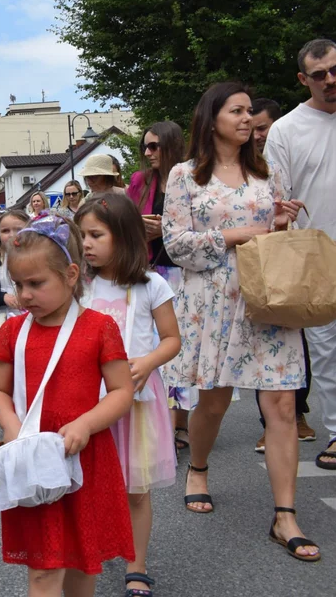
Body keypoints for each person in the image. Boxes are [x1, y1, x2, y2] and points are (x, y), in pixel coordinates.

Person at [163, 82, 318, 560]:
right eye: (238, 111)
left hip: (267, 300)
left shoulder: (267, 175)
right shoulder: (184, 175)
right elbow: (176, 244)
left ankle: (285, 515)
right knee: (213, 404)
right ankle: (200, 468)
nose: (248, 118)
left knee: (284, 407)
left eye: (251, 111)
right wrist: (242, 233)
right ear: (212, 120)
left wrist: (279, 223)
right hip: (213, 304)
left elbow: (274, 235)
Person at [0, 214, 135, 596]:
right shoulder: (12, 331)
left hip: (86, 457)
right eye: (19, 285)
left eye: (36, 284)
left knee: (84, 566)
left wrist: (86, 423)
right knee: (44, 571)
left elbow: (121, 390)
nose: (25, 295)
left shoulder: (99, 327)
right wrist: (10, 425)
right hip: (35, 461)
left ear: (71, 275)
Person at [76, 195, 181, 596]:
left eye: (96, 235)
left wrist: (149, 361)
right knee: (86, 487)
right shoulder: (79, 284)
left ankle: (136, 564)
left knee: (136, 490)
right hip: (90, 401)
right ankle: (88, 553)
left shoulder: (152, 284)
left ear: (124, 237)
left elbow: (172, 339)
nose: (86, 243)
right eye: (82, 235)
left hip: (136, 403)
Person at [265, 38, 336, 473]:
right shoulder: (285, 129)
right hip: (314, 263)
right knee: (325, 356)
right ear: (304, 79)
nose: (330, 80)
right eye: (319, 75)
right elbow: (276, 198)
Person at [249, 98, 315, 450]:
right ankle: (270, 423)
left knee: (297, 339)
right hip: (259, 262)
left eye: (263, 127)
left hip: (295, 256)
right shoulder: (249, 166)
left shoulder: (290, 152)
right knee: (268, 338)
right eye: (254, 128)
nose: (258, 134)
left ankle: (297, 413)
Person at [126, 120, 192, 450]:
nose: (148, 152)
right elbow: (123, 222)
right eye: (145, 147)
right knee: (155, 346)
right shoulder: (140, 181)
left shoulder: (193, 178)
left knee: (182, 346)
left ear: (171, 145)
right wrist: (139, 225)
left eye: (154, 146)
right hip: (152, 271)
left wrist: (165, 228)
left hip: (186, 274)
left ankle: (181, 423)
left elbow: (203, 224)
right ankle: (160, 422)